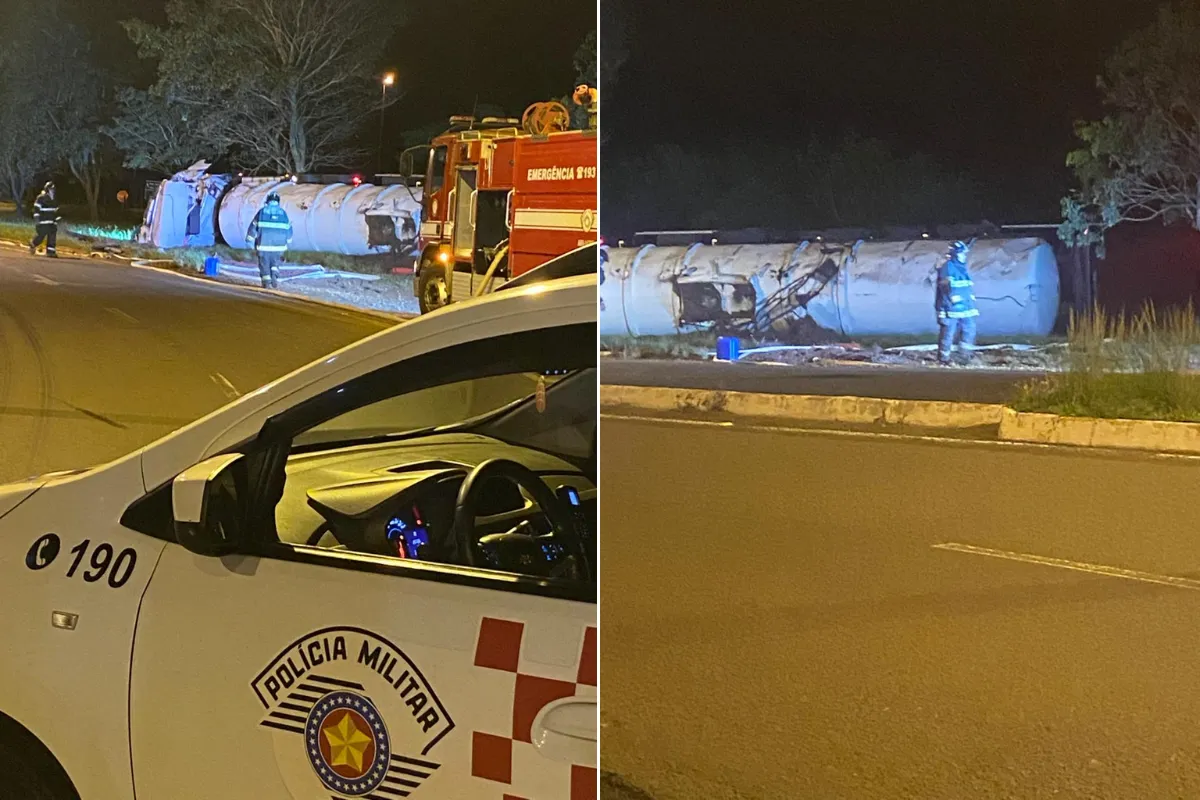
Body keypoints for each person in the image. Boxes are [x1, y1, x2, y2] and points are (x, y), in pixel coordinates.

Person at [935, 240, 979, 365]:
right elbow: (945, 287)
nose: (964, 256)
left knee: (969, 329)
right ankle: (944, 358)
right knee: (948, 332)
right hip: (951, 309)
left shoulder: (961, 268)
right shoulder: (948, 267)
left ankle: (964, 355)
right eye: (962, 254)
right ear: (955, 254)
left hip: (966, 307)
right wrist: (950, 301)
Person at [246, 191, 292, 288]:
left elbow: (253, 226)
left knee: (264, 263)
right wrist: (288, 240)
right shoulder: (283, 213)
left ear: (268, 201)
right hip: (279, 247)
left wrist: (249, 239)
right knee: (275, 262)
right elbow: (288, 229)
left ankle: (266, 282)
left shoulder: (262, 212)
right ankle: (274, 274)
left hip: (264, 245)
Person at [29, 182, 60, 258]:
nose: (52, 190)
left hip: (52, 222)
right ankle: (33, 243)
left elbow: (55, 211)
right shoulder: (41, 198)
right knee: (41, 236)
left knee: (52, 237)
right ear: (47, 189)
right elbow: (36, 209)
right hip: (43, 222)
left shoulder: (54, 199)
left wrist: (56, 219)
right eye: (51, 189)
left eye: (53, 189)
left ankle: (51, 252)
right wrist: (37, 219)